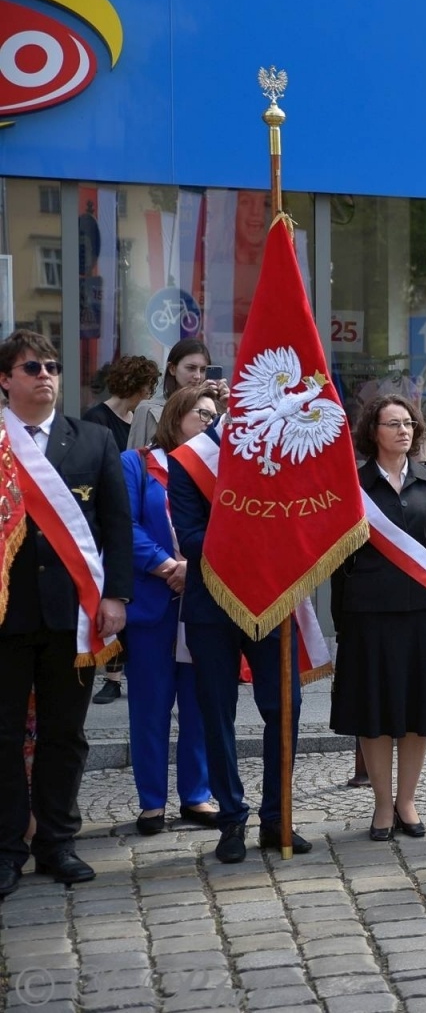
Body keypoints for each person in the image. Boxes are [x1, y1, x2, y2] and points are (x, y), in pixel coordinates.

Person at [0, 331, 132, 897]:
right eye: (32, 367)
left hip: (72, 616)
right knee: (3, 736)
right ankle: (7, 849)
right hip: (5, 615)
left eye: (52, 366)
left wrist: (116, 596)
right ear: (6, 379)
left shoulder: (93, 440)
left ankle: (57, 842)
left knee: (65, 734)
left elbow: (116, 527)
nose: (45, 375)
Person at [169, 401, 313, 863]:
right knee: (217, 714)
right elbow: (189, 537)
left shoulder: (280, 456)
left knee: (284, 710)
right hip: (211, 605)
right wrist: (250, 530)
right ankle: (231, 819)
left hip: (270, 599)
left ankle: (276, 819)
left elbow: (300, 522)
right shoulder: (190, 460)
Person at [330, 395, 426, 841]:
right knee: (375, 710)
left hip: (425, 613)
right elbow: (340, 556)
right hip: (369, 614)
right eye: (393, 424)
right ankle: (382, 806)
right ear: (374, 432)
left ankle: (407, 800)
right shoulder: (353, 484)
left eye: (408, 423)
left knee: (417, 711)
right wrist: (341, 618)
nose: (404, 431)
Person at [121, 386, 223, 835]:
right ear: (176, 414)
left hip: (202, 600)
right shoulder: (137, 463)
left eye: (215, 417)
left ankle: (196, 795)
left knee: (199, 702)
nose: (210, 422)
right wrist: (168, 567)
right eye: (202, 414)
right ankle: (151, 802)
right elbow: (122, 524)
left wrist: (195, 570)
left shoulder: (218, 469)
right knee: (150, 703)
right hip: (154, 603)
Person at [85, 354, 162, 706]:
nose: (150, 391)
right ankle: (112, 674)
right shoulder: (97, 419)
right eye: (148, 385)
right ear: (137, 385)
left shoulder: (140, 418)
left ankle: (121, 670)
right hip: (107, 514)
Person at [128, 339, 216, 453]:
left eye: (203, 370)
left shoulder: (213, 410)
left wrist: (227, 407)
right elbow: (134, 458)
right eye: (191, 368)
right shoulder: (148, 410)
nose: (198, 376)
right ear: (172, 369)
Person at [85, 354, 161, 453]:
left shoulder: (136, 417)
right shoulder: (95, 418)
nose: (149, 396)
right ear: (134, 386)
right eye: (148, 389)